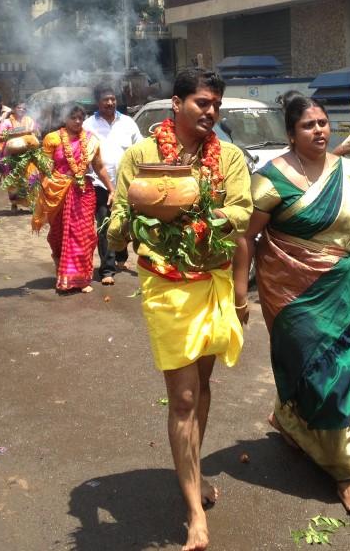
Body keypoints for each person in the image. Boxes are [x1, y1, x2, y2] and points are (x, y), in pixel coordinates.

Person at [234, 93, 350, 513]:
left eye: (322, 123)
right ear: (291, 134)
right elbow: (247, 236)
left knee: (338, 374)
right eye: (307, 125)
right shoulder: (271, 178)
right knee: (308, 369)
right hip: (290, 296)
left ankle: (341, 469)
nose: (318, 130)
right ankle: (338, 468)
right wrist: (240, 296)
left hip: (342, 289)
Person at [107, 69, 252, 551]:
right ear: (176, 103)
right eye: (202, 103)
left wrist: (197, 214)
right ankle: (194, 511)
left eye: (216, 105)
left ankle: (194, 469)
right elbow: (120, 216)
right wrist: (125, 222)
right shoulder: (141, 156)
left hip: (210, 279)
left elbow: (241, 213)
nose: (211, 112)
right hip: (165, 286)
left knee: (203, 387)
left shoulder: (229, 158)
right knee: (184, 398)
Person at [32, 104, 113, 293]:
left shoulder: (91, 140)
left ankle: (82, 278)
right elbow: (44, 169)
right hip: (57, 193)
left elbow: (99, 167)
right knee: (58, 235)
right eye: (73, 117)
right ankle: (62, 273)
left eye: (80, 118)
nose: (77, 121)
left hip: (83, 192)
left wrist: (111, 188)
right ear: (64, 118)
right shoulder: (52, 138)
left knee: (84, 235)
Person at [83, 83, 142, 285]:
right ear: (97, 102)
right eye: (105, 99)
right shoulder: (88, 125)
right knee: (105, 224)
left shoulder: (128, 122)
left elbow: (140, 148)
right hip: (99, 184)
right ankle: (107, 270)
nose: (110, 102)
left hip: (127, 184)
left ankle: (121, 258)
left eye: (112, 99)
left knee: (125, 221)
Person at [0, 101, 39, 211]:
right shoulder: (6, 122)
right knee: (14, 180)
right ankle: (14, 203)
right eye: (19, 108)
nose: (21, 110)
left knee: (31, 177)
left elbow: (37, 133)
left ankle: (31, 202)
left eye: (24, 108)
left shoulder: (29, 121)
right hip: (12, 155)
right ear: (14, 109)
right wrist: (18, 134)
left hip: (28, 154)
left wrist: (34, 132)